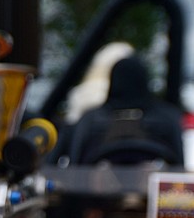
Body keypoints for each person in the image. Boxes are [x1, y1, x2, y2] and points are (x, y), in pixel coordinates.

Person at [57, 55, 185, 167]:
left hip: (96, 194)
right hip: (152, 194)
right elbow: (179, 170)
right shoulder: (168, 119)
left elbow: (75, 168)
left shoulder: (89, 121)